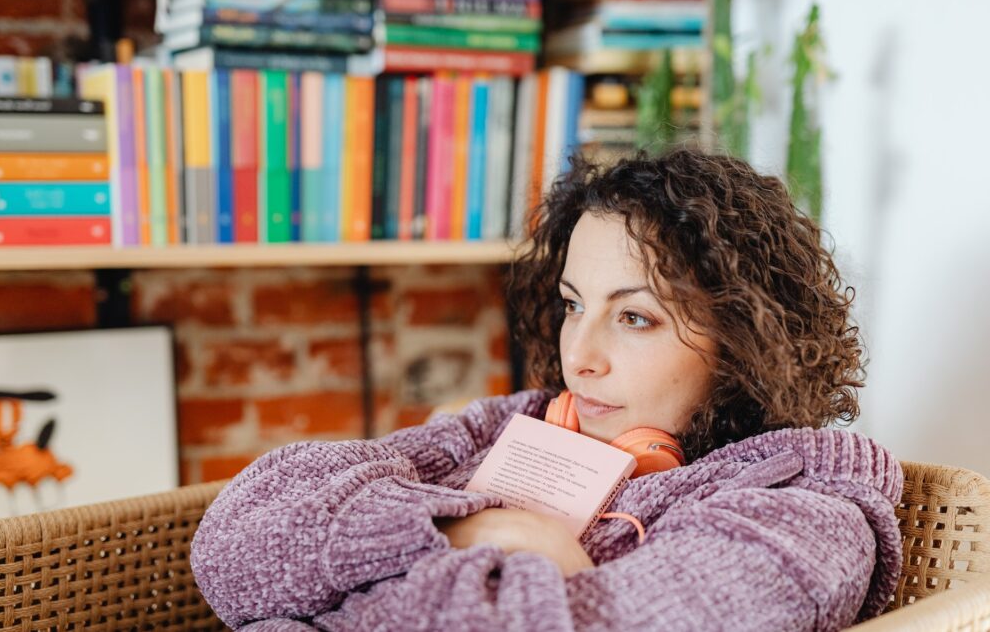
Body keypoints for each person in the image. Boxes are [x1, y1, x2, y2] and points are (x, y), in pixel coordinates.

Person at [190, 149, 903, 631]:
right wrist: (477, 530)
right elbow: (229, 548)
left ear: (745, 340)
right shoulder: (519, 423)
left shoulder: (806, 518)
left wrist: (311, 608)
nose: (579, 358)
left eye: (634, 317)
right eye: (572, 305)